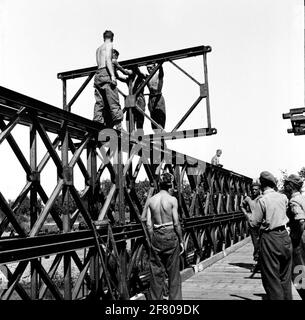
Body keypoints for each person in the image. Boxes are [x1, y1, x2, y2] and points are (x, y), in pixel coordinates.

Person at [250, 171, 292, 300]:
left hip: (270, 239)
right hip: (285, 236)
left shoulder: (263, 200)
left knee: (271, 277)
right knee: (285, 276)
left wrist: (246, 213)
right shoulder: (283, 197)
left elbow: (254, 223)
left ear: (262, 184)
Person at [142, 172, 184, 300]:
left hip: (156, 236)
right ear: (170, 184)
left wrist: (151, 239)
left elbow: (149, 224)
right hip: (170, 234)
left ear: (159, 185)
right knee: (173, 273)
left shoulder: (151, 200)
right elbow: (176, 223)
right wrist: (181, 240)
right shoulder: (172, 200)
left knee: (156, 273)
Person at [93, 30, 123, 130]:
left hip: (98, 75)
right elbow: (108, 61)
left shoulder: (98, 49)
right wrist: (113, 76)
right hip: (106, 74)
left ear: (103, 37)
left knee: (99, 102)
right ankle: (119, 127)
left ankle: (97, 123)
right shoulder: (109, 45)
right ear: (112, 38)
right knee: (113, 101)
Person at [283, 174, 305, 299]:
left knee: (298, 270)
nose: (285, 186)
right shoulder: (302, 198)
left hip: (300, 240)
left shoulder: (294, 200)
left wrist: (294, 239)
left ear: (291, 186)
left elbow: (301, 221)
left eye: (286, 184)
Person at [240, 182, 262, 268]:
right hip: (252, 224)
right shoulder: (248, 199)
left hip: (262, 224)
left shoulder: (262, 198)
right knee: (256, 243)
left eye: (256, 189)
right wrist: (246, 214)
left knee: (262, 243)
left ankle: (261, 262)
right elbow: (242, 206)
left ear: (259, 190)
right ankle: (257, 261)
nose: (254, 191)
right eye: (252, 189)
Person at [147, 63, 166, 131]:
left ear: (154, 67)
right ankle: (158, 138)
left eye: (151, 67)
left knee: (159, 118)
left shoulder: (157, 76)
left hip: (158, 98)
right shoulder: (147, 77)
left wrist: (160, 65)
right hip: (151, 99)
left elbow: (161, 74)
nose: (149, 69)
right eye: (148, 68)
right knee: (153, 119)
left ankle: (161, 137)